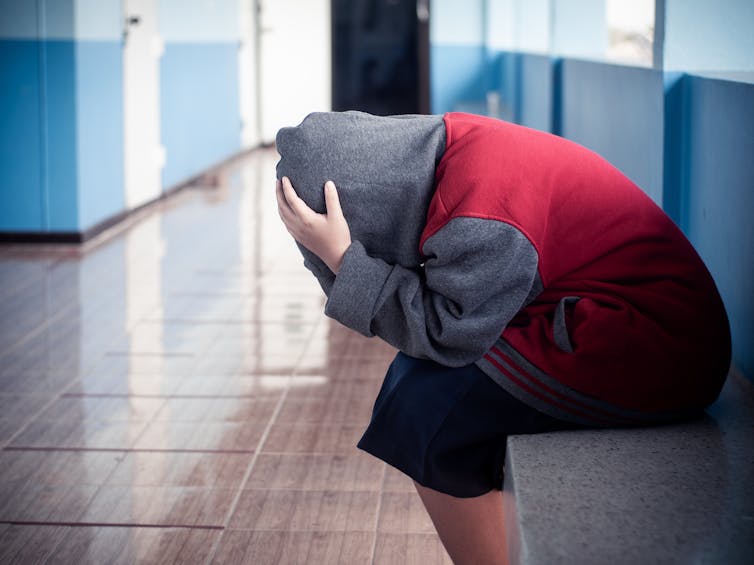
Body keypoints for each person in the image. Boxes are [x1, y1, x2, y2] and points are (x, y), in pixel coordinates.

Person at [274, 111, 730, 564]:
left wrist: (340, 259)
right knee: (417, 382)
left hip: (660, 342)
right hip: (605, 311)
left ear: (367, 209)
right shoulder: (452, 149)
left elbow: (449, 334)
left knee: (426, 413)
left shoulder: (481, 216)